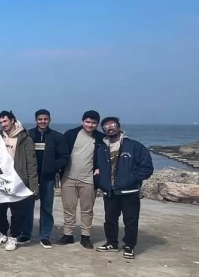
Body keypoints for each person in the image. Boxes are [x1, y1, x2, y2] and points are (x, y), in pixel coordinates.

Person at [95, 117, 153, 259]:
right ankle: (111, 243)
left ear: (119, 127)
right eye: (106, 126)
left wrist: (131, 179)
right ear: (103, 130)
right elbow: (96, 167)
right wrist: (99, 181)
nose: (110, 128)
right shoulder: (101, 148)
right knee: (110, 219)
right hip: (110, 191)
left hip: (129, 191)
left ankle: (129, 246)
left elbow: (146, 168)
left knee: (130, 220)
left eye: (112, 125)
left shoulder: (134, 146)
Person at [0, 111, 38, 252]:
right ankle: (3, 233)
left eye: (5, 121)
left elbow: (32, 163)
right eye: (0, 122)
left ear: (12, 120)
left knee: (18, 212)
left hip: (18, 181)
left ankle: (14, 237)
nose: (3, 124)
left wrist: (33, 185)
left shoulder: (25, 138)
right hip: (0, 181)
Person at [58, 110, 104, 248]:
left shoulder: (101, 138)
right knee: (68, 208)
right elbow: (60, 152)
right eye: (87, 122)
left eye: (93, 123)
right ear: (82, 121)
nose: (90, 125)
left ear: (97, 124)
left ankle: (85, 236)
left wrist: (100, 168)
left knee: (87, 210)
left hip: (89, 179)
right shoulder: (70, 134)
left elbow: (106, 156)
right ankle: (68, 234)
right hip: (68, 178)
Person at [27, 109, 70, 248]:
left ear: (49, 120)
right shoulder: (28, 135)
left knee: (46, 207)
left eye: (45, 119)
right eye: (40, 119)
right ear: (36, 120)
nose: (43, 121)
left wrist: (52, 167)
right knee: (27, 207)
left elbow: (64, 156)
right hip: (30, 178)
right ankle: (25, 233)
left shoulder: (57, 137)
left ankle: (45, 236)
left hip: (48, 178)